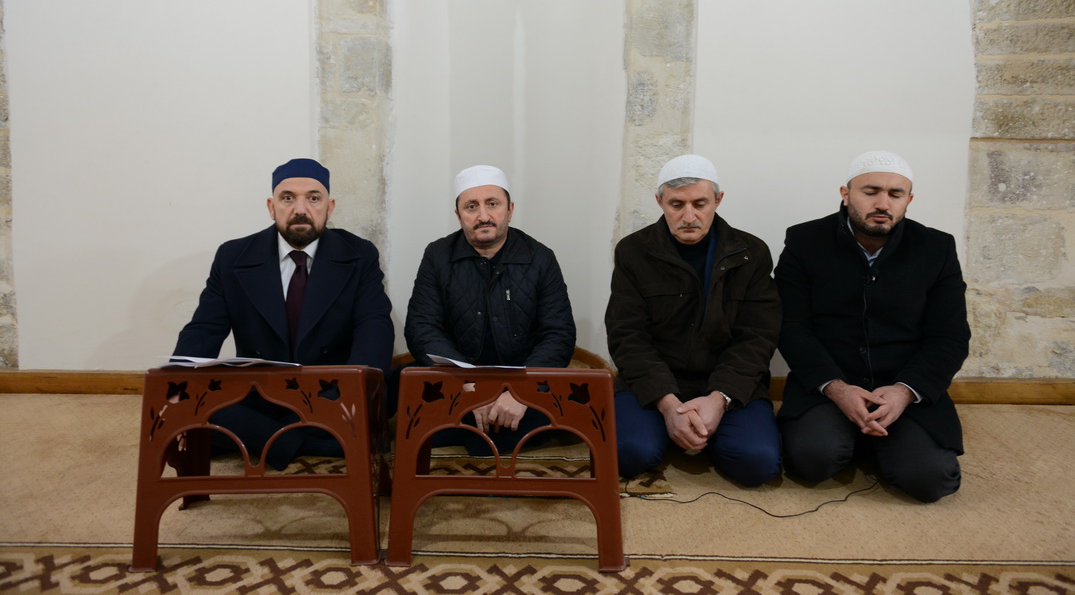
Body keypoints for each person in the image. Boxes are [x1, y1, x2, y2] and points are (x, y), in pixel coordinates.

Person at [172, 158, 395, 469]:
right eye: (288, 198)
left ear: (329, 208)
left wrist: (354, 390)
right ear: (271, 206)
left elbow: (374, 325)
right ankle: (307, 441)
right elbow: (204, 328)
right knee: (197, 405)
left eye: (313, 198)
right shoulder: (233, 256)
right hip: (262, 393)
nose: (300, 209)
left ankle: (266, 438)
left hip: (332, 390)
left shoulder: (359, 254)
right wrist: (177, 386)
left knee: (390, 387)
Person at [775, 150, 970, 502]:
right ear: (845, 194)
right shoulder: (805, 241)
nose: (883, 203)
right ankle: (856, 436)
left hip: (904, 385)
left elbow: (950, 336)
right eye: (871, 191)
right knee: (813, 460)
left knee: (930, 480)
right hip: (829, 382)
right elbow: (792, 326)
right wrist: (837, 389)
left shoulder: (936, 248)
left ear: (908, 200)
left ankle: (876, 437)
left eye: (895, 194)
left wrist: (904, 391)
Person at [605, 154, 782, 486]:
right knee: (628, 455)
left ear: (718, 200)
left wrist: (719, 399)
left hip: (728, 381)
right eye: (676, 205)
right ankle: (683, 426)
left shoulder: (751, 252)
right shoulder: (633, 251)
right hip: (655, 382)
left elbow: (758, 336)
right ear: (660, 201)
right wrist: (668, 404)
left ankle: (702, 428)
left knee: (757, 463)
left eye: (700, 204)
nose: (689, 216)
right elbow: (626, 335)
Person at [404, 165, 576, 454]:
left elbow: (558, 334)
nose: (483, 216)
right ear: (458, 214)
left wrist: (521, 393)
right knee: (404, 390)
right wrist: (469, 387)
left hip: (522, 380)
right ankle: (483, 430)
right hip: (460, 382)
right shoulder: (438, 255)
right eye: (471, 207)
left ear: (510, 210)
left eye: (492, 204)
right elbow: (422, 328)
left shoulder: (540, 257)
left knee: (564, 404)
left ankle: (472, 431)